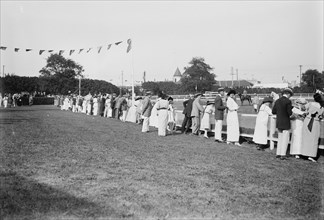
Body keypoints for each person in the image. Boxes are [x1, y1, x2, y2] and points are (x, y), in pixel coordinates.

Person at [300, 93, 324, 162]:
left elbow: (302, 108)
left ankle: (304, 153)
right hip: (315, 123)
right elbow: (322, 116)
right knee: (314, 139)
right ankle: (311, 155)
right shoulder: (322, 107)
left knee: (306, 138)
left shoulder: (310, 104)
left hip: (307, 121)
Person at [272, 88, 293, 160]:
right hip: (286, 122)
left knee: (280, 138)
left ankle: (278, 153)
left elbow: (273, 111)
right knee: (285, 138)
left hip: (279, 122)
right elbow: (289, 113)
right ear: (288, 94)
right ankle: (283, 154)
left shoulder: (277, 101)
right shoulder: (288, 101)